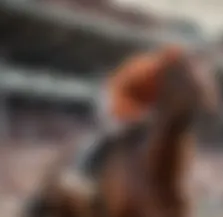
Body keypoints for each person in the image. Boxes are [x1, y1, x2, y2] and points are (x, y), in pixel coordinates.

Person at [77, 44, 193, 177]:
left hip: (142, 109)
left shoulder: (171, 80)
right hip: (114, 96)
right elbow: (121, 95)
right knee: (114, 131)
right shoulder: (144, 69)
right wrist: (141, 114)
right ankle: (83, 165)